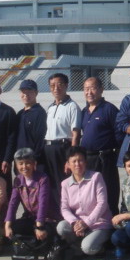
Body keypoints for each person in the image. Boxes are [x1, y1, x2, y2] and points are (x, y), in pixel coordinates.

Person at [57, 147, 112, 259]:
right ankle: (78, 247)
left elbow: (102, 204)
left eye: (80, 160)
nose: (77, 164)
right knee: (61, 227)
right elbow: (64, 208)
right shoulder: (65, 184)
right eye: (74, 161)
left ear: (86, 162)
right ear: (68, 164)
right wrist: (74, 222)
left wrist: (86, 223)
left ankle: (100, 246)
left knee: (88, 248)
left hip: (99, 223)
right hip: (78, 223)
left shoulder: (96, 177)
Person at [80, 77, 121, 215]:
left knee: (108, 191)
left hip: (105, 158)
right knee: (91, 192)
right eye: (86, 89)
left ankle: (111, 220)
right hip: (88, 159)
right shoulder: (84, 111)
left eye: (93, 88)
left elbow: (119, 133)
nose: (89, 92)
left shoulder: (109, 109)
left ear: (101, 89)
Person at [5, 148, 61, 247]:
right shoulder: (18, 180)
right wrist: (7, 225)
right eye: (20, 163)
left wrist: (39, 227)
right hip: (31, 218)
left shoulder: (43, 179)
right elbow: (13, 203)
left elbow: (43, 203)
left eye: (27, 163)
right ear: (16, 165)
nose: (24, 167)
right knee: (14, 228)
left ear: (34, 164)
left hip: (48, 218)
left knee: (46, 234)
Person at [44, 73, 81, 208]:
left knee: (64, 183)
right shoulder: (50, 107)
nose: (56, 88)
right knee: (51, 183)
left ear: (66, 86)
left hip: (63, 148)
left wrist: (70, 158)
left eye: (59, 85)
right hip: (48, 149)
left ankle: (66, 213)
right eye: (52, 85)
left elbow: (75, 134)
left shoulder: (72, 106)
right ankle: (55, 213)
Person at [15, 80, 47, 167]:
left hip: (31, 161)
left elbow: (40, 139)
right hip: (19, 158)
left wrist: (35, 158)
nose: (26, 95)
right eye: (23, 92)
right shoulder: (20, 114)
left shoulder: (39, 113)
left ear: (36, 93)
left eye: (29, 91)